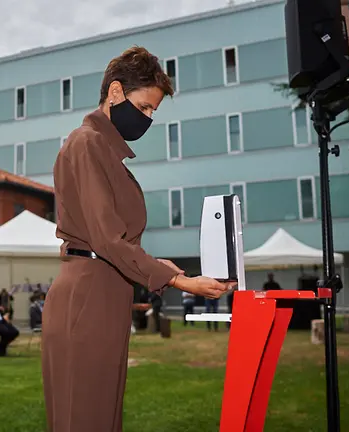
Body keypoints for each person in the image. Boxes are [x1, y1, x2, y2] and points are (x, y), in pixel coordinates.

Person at [41, 46, 234, 432]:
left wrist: (158, 266)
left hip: (104, 289)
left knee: (99, 416)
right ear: (115, 93)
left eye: (153, 113)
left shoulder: (102, 150)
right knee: (86, 418)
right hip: (89, 294)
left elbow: (110, 239)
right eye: (144, 107)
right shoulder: (88, 143)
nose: (148, 119)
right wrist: (179, 281)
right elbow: (107, 239)